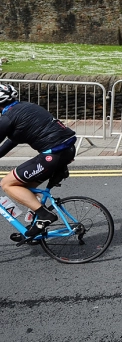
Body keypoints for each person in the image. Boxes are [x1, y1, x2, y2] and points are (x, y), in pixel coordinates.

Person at [0, 83, 78, 242]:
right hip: (67, 151)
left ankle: (44, 216)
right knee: (24, 187)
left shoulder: (8, 117)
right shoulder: (25, 108)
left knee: (7, 184)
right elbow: (12, 141)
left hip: (53, 155)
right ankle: (35, 228)